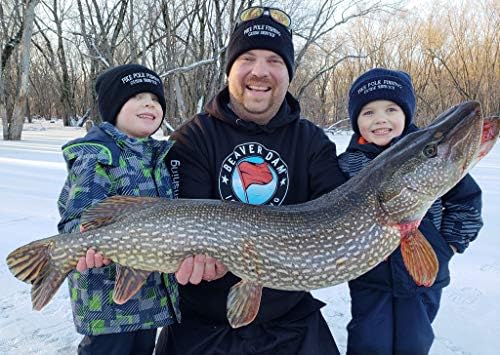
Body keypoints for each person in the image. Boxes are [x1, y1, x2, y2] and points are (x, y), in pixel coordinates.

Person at [155, 6, 346, 355]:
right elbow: (180, 219)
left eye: (274, 60)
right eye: (248, 58)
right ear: (230, 68)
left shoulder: (313, 142)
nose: (260, 71)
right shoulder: (192, 138)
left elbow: (341, 213)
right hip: (202, 328)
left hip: (292, 325)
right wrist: (197, 261)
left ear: (289, 72)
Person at [339, 67, 483, 355]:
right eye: (368, 113)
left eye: (391, 109)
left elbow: (467, 204)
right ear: (356, 121)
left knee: (414, 344)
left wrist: (448, 246)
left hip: (423, 279)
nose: (380, 119)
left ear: (406, 114)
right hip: (371, 281)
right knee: (369, 344)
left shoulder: (435, 162)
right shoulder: (348, 166)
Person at [57, 64, 181, 355]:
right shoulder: (97, 155)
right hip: (107, 308)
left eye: (154, 98)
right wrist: (84, 238)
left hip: (148, 300)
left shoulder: (158, 157)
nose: (148, 103)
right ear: (113, 107)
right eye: (136, 97)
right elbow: (76, 219)